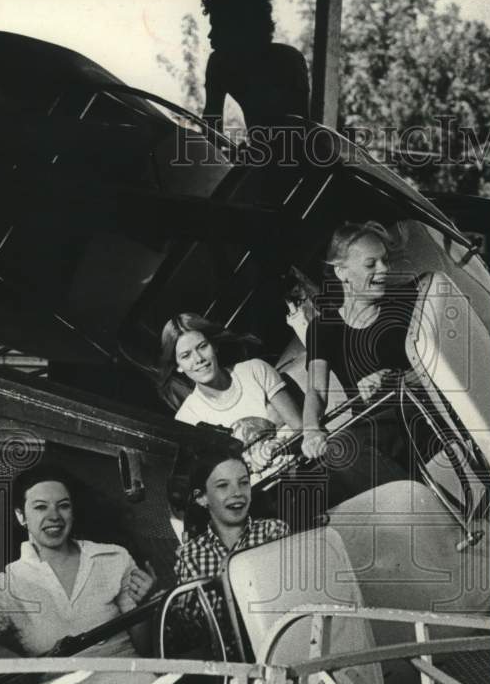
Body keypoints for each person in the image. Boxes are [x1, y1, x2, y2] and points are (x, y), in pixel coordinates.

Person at [0, 463, 156, 657]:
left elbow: (146, 651)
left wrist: (145, 605)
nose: (54, 516)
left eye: (63, 506)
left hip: (132, 683)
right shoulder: (9, 585)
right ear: (21, 516)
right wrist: (8, 660)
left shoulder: (114, 558)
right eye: (41, 507)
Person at [301, 221, 417, 461]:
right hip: (376, 440)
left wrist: (397, 378)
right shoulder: (321, 329)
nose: (384, 269)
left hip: (424, 417)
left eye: (385, 260)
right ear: (341, 272)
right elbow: (316, 391)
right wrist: (311, 430)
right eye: (371, 264)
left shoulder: (409, 301)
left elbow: (443, 364)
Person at [171, 453, 290, 660]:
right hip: (231, 665)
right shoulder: (191, 555)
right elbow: (194, 634)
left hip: (281, 646)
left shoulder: (274, 532)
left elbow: (288, 597)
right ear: (202, 498)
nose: (237, 493)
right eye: (223, 485)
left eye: (243, 483)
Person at [161, 313, 302, 450]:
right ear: (178, 366)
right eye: (186, 356)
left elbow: (302, 429)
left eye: (202, 346)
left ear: (214, 346)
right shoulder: (187, 418)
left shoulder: (255, 370)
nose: (198, 359)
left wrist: (277, 445)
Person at [201, 0, 309, 136]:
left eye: (217, 27)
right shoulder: (218, 64)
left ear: (239, 29)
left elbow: (301, 130)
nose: (210, 35)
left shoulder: (288, 61)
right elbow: (211, 131)